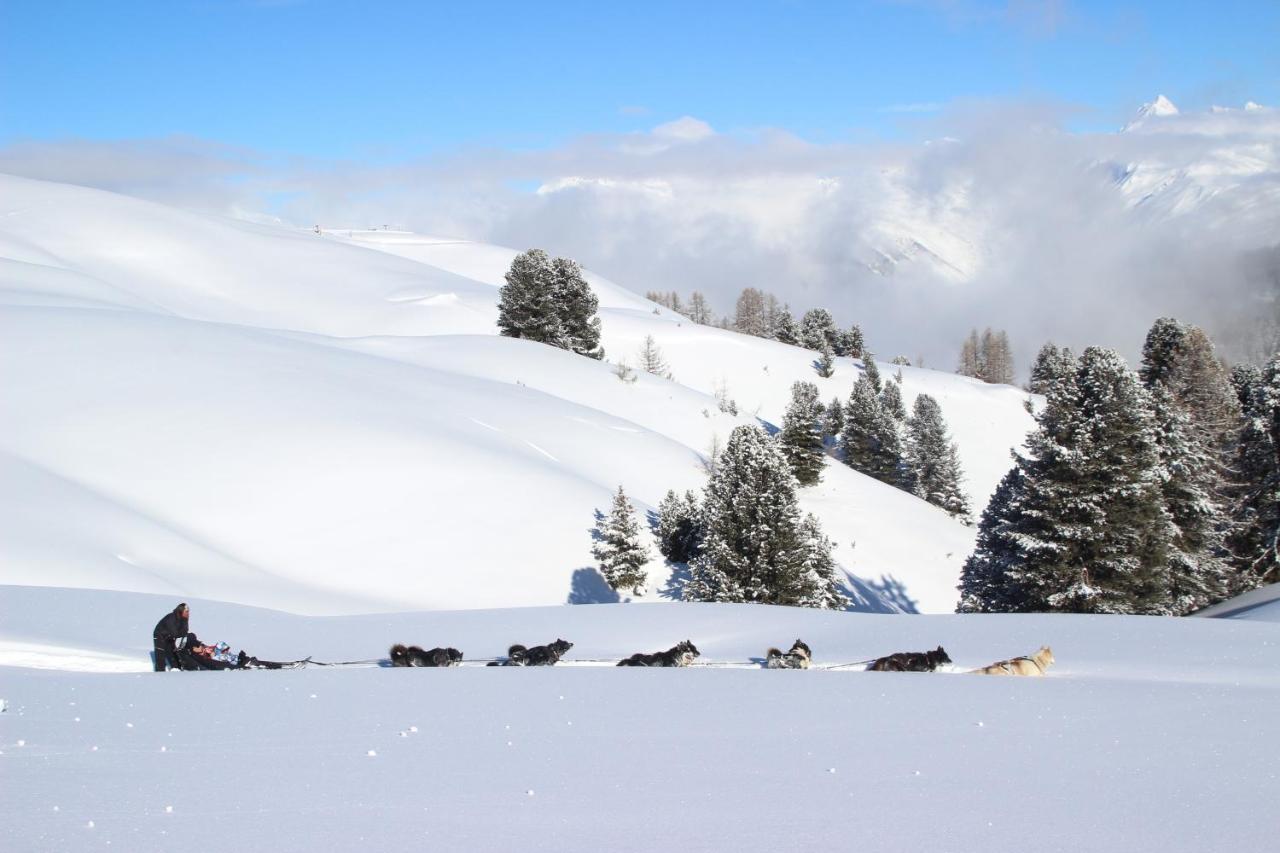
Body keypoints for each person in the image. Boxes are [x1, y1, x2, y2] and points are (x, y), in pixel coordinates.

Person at [152, 603, 190, 672]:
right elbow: (174, 632)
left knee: (173, 654)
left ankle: (176, 670)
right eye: (186, 611)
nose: (188, 613)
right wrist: (181, 634)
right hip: (159, 635)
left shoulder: (184, 619)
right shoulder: (171, 617)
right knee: (160, 655)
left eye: (188, 611)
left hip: (169, 636)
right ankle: (159, 673)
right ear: (181, 611)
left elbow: (185, 631)